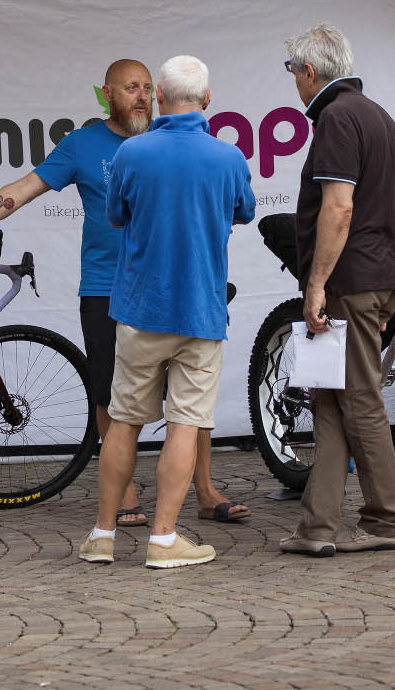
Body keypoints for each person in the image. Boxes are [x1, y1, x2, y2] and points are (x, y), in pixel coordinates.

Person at [0, 59, 249, 527]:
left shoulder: (178, 144)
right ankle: (124, 492)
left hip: (181, 288)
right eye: (130, 87)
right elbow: (23, 189)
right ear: (106, 94)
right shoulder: (83, 144)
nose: (141, 96)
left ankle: (206, 490)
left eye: (147, 87)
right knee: (108, 392)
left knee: (191, 400)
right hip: (108, 288)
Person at [80, 55, 255, 567]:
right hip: (200, 310)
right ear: (207, 100)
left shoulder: (131, 152)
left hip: (139, 309)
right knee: (184, 424)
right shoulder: (228, 157)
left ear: (158, 96)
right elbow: (244, 211)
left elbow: (116, 215)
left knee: (123, 423)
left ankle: (102, 535)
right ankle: (163, 541)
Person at [277, 23, 395, 558]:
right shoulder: (382, 118)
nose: (294, 82)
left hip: (350, 282)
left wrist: (316, 284)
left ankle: (384, 519)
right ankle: (317, 527)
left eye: (293, 72)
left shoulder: (336, 118)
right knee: (330, 400)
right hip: (377, 277)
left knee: (358, 400)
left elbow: (337, 207)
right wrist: (387, 283)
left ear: (310, 71)